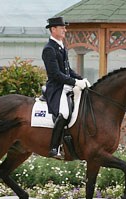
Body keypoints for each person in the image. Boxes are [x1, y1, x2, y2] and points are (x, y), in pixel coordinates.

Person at [42, 16, 90, 158]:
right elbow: (56, 74)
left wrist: (81, 79)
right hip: (57, 88)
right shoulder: (49, 49)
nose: (65, 30)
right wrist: (75, 83)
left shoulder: (62, 46)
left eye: (64, 27)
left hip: (66, 86)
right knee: (65, 113)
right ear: (53, 29)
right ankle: (54, 147)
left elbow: (67, 70)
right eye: (62, 27)